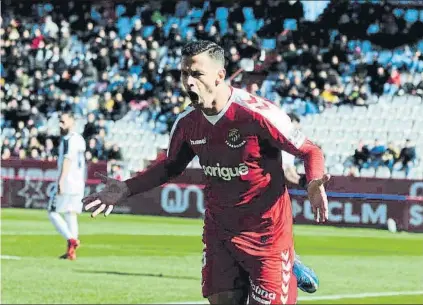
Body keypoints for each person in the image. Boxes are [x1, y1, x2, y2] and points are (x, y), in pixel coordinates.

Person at [83, 40, 330, 305]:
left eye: (197, 74)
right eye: (184, 73)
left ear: (219, 76)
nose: (189, 82)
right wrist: (127, 188)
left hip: (266, 237)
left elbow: (310, 150)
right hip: (219, 233)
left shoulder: (257, 114)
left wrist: (314, 182)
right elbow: (170, 167)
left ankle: (289, 260)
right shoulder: (187, 123)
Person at [282, 113, 319, 294]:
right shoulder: (282, 142)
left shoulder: (285, 147)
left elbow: (290, 172)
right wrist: (305, 183)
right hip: (268, 194)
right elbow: (288, 174)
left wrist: (305, 182)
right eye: (296, 126)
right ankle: (292, 266)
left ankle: (292, 264)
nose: (298, 130)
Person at [48, 111, 86, 260]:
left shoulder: (68, 140)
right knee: (71, 214)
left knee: (52, 212)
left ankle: (71, 239)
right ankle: (71, 252)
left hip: (68, 182)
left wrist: (61, 180)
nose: (60, 124)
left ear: (72, 122)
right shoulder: (80, 139)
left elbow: (67, 160)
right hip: (78, 183)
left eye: (63, 122)